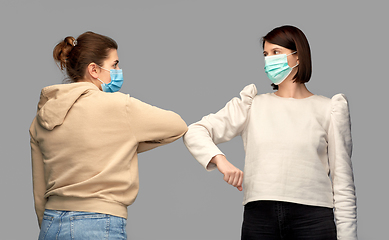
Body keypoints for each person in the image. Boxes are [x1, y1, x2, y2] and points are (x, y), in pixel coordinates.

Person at [183, 25, 357, 240]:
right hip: (260, 218)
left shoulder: (329, 109)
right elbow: (195, 131)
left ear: (298, 57)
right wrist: (221, 161)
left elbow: (342, 182)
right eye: (265, 54)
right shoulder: (251, 105)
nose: (269, 60)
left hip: (313, 218)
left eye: (276, 53)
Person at [29, 31, 187, 239]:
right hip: (97, 223)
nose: (119, 70)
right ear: (93, 69)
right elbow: (177, 125)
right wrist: (125, 143)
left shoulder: (42, 116)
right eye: (114, 65)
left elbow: (39, 189)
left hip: (51, 225)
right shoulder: (119, 106)